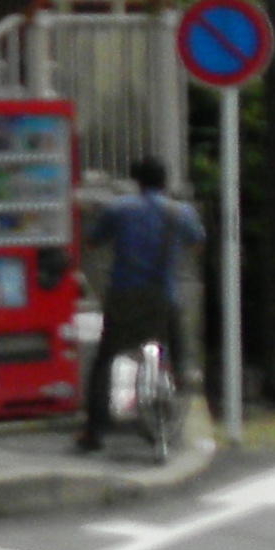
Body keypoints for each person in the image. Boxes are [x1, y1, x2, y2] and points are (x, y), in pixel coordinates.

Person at [75, 154, 206, 453]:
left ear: (136, 181)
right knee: (178, 348)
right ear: (165, 181)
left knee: (104, 360)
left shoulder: (119, 209)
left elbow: (92, 242)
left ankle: (94, 431)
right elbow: (197, 244)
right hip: (163, 297)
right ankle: (180, 392)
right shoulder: (180, 213)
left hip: (125, 297)